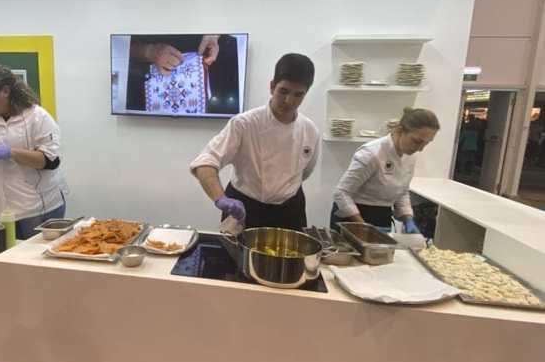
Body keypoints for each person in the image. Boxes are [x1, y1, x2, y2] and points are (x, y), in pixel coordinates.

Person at [190, 53, 320, 231]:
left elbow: (305, 172)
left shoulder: (310, 130)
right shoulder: (244, 123)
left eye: (298, 95)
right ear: (272, 86)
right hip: (244, 208)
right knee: (236, 250)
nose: (289, 101)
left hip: (290, 210)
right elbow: (205, 162)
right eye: (283, 91)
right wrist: (220, 198)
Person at [0, 64, 70, 239]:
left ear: (5, 91)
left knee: (31, 255)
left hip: (34, 208)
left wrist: (11, 152)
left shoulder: (37, 117)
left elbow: (50, 161)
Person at [330, 107, 440, 233]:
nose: (420, 149)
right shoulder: (372, 153)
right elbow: (341, 193)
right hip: (352, 217)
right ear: (400, 130)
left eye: (426, 143)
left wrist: (408, 218)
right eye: (417, 141)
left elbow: (402, 192)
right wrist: (363, 226)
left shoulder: (409, 156)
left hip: (382, 216)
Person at [127, 34, 240, 115]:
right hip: (143, 91)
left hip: (224, 77)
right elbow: (122, 44)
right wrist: (149, 51)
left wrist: (215, 34)